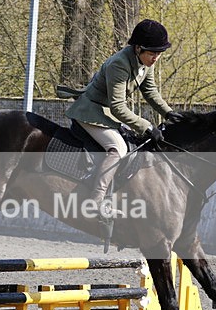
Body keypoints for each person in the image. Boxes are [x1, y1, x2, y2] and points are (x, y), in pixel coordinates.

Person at [66, 18, 183, 215]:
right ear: (138, 48)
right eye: (152, 53)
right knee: (118, 148)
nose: (156, 58)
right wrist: (147, 126)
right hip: (90, 112)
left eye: (159, 53)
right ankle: (96, 200)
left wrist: (168, 113)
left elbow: (150, 91)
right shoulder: (119, 64)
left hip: (107, 113)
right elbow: (118, 107)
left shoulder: (146, 61)